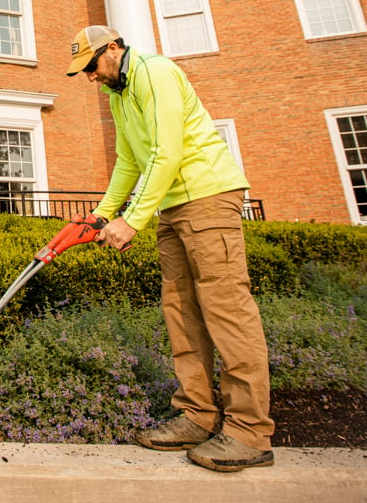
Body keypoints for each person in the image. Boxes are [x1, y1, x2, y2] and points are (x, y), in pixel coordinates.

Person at [66, 24, 274, 472]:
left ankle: (249, 433)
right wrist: (103, 213)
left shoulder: (154, 72)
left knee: (227, 310)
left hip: (208, 195)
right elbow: (128, 160)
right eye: (82, 71)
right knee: (180, 310)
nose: (90, 78)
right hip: (173, 204)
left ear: (114, 48)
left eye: (92, 66)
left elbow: (167, 150)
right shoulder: (118, 94)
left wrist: (132, 220)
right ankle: (197, 415)